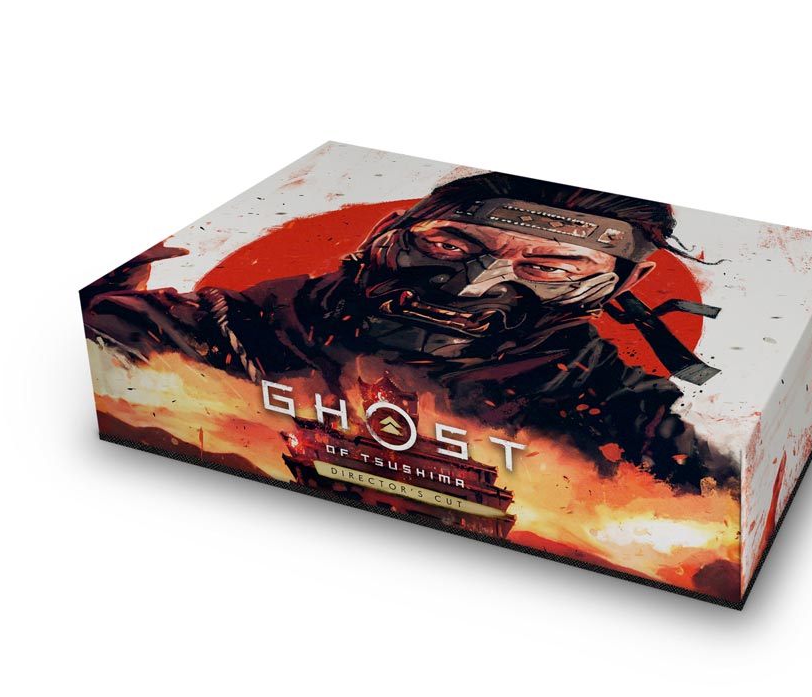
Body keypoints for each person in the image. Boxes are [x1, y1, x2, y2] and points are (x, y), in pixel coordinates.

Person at [82, 171, 736, 489]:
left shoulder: (620, 414)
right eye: (450, 245)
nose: (472, 285)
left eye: (547, 268)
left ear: (620, 285)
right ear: (387, 233)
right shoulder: (223, 327)